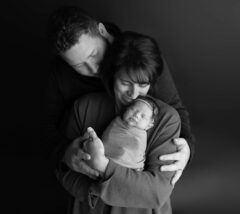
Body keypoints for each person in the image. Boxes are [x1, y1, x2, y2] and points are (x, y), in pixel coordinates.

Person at [45, 5, 194, 186]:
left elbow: (174, 106)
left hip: (138, 171)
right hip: (87, 174)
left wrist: (186, 146)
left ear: (102, 31)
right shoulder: (59, 76)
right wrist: (65, 153)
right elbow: (48, 129)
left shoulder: (139, 56)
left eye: (94, 54)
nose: (93, 69)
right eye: (78, 65)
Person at [57, 31, 181, 214]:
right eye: (125, 82)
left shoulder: (166, 119)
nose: (134, 94)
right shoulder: (84, 107)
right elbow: (65, 172)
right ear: (112, 75)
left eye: (143, 84)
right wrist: (100, 188)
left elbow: (156, 192)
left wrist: (102, 167)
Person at [83, 97, 159, 171]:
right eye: (133, 109)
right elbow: (107, 139)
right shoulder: (116, 122)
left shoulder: (141, 135)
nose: (136, 115)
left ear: (149, 125)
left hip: (131, 168)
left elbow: (136, 152)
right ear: (126, 109)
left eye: (143, 116)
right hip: (104, 158)